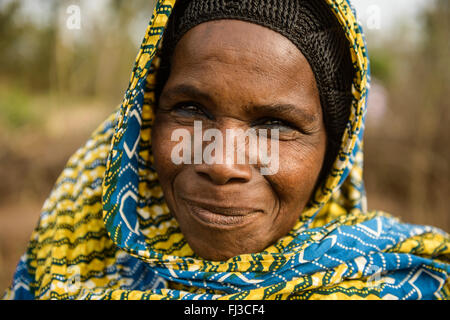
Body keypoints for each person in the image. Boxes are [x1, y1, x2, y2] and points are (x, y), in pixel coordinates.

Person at [3, 0, 449, 300]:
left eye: (275, 124)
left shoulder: (407, 281)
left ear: (335, 153)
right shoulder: (68, 255)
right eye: (191, 109)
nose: (220, 163)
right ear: (146, 120)